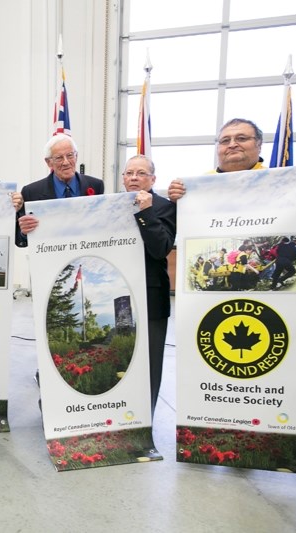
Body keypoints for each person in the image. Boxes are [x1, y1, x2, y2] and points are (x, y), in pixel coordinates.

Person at [167, 118, 296, 242]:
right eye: (225, 141)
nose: (232, 144)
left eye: (242, 138)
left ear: (259, 144)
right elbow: (178, 235)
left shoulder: (283, 182)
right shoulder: (197, 187)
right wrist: (177, 205)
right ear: (218, 148)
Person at [122, 155, 176, 415]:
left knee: (150, 362)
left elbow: (160, 249)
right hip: (120, 293)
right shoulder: (111, 206)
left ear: (153, 179)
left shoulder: (165, 206)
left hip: (151, 295)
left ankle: (146, 418)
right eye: (129, 173)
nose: (134, 177)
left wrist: (145, 212)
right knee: (121, 355)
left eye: (141, 173)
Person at [15, 133, 104, 247]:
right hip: (49, 260)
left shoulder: (96, 185)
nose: (66, 162)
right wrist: (24, 232)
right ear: (48, 162)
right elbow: (21, 240)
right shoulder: (31, 192)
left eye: (70, 155)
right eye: (59, 158)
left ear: (76, 156)